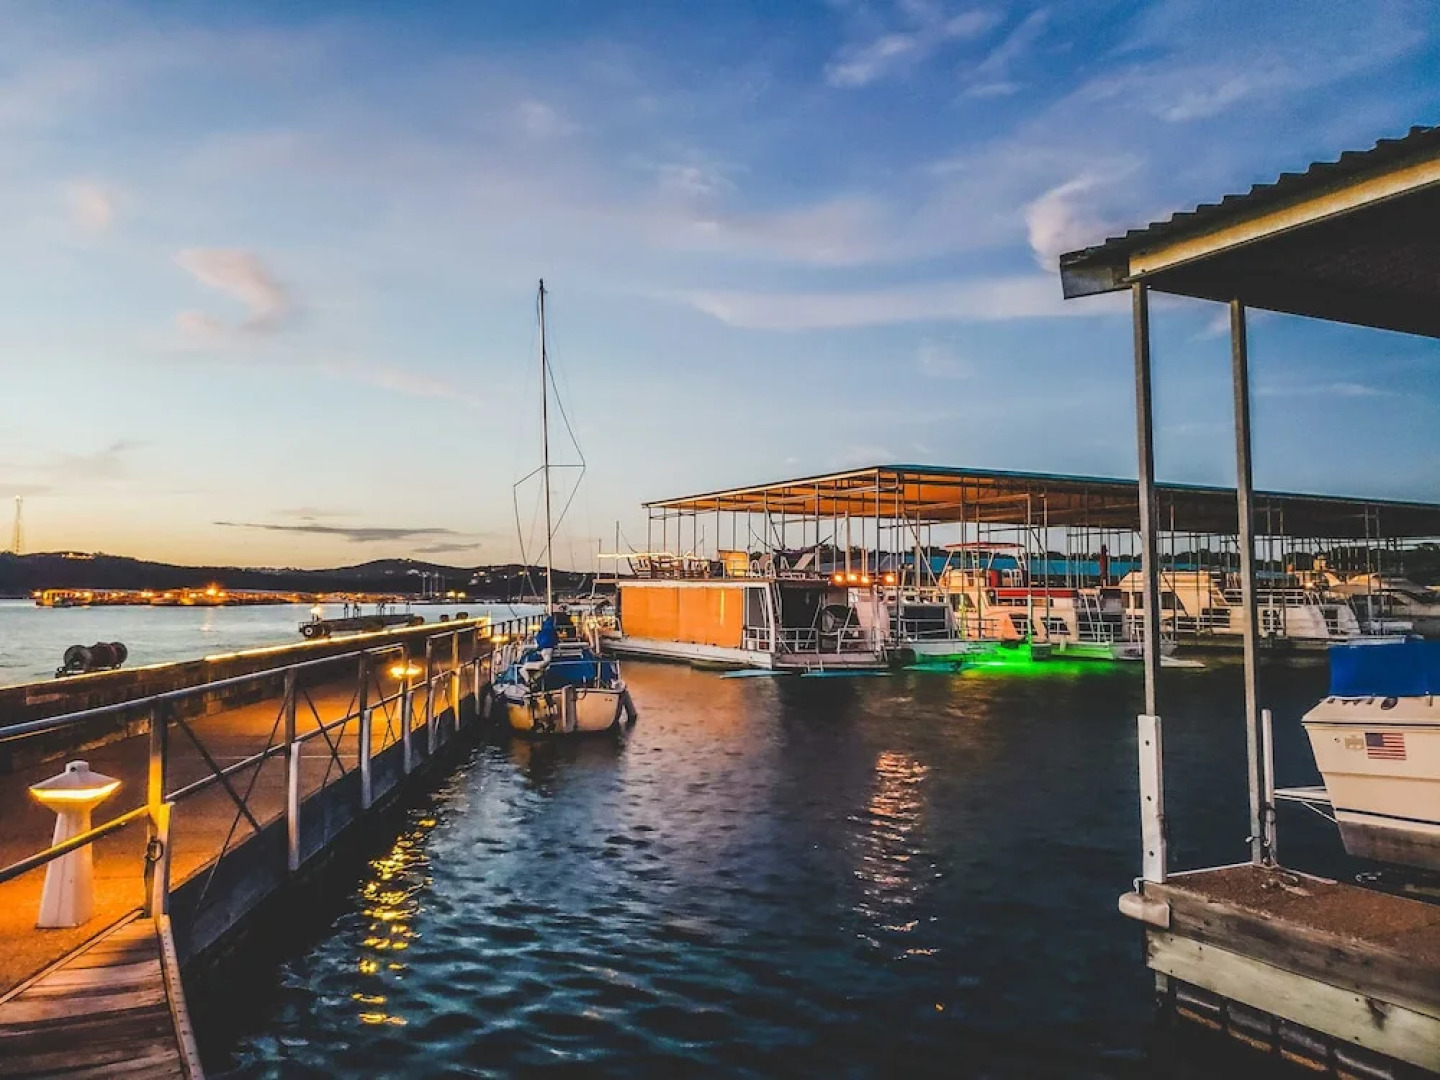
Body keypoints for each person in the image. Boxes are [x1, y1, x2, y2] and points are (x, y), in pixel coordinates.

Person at [521, 615, 559, 685]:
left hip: (542, 649)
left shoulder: (541, 632)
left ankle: (529, 678)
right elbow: (556, 640)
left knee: (544, 663)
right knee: (546, 663)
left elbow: (537, 640)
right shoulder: (553, 631)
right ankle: (535, 676)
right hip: (549, 650)